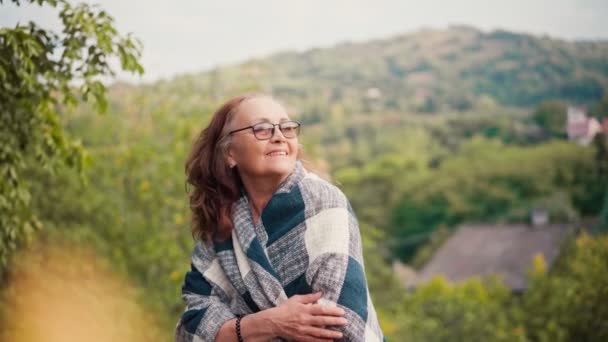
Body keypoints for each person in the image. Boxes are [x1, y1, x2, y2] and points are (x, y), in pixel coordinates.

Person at [175, 93, 384, 342]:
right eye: (261, 129)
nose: (279, 136)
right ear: (230, 153)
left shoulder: (324, 204)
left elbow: (337, 327)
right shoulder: (223, 222)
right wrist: (269, 323)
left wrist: (230, 329)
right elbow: (191, 325)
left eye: (286, 127)